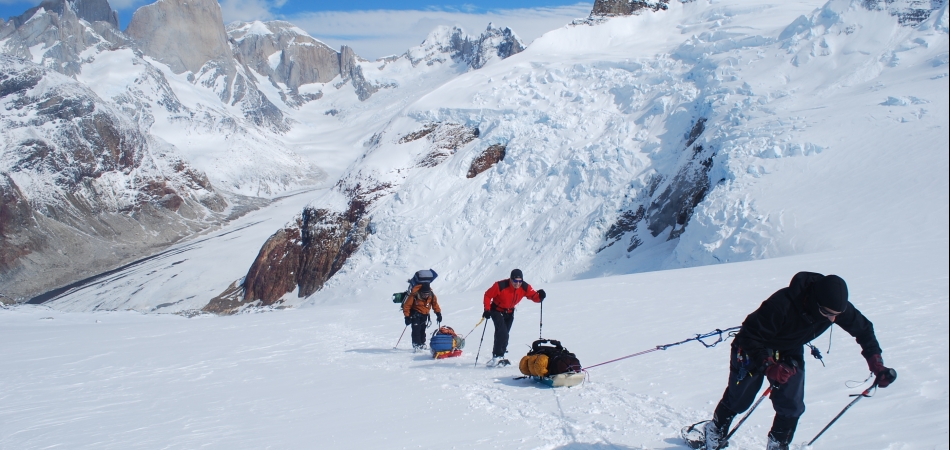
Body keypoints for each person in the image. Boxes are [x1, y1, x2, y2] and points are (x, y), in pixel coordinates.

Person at [703, 272, 896, 450]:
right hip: (753, 347)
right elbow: (749, 336)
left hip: (789, 348)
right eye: (827, 313)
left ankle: (778, 444)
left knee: (791, 404)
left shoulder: (835, 308)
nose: (832, 319)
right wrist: (768, 366)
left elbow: (864, 330)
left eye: (836, 315)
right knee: (740, 398)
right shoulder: (782, 304)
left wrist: (876, 363)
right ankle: (715, 430)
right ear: (813, 301)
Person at [482, 269, 546, 367]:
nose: (518, 284)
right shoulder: (500, 286)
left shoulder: (525, 287)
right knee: (502, 332)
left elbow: (533, 296)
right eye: (515, 281)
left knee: (504, 333)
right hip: (496, 310)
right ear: (511, 280)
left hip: (509, 312)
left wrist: (540, 296)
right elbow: (487, 295)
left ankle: (500, 355)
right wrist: (487, 310)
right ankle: (497, 356)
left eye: (520, 281)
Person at [402, 283, 442, 351]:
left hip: (425, 315)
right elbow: (407, 306)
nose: (426, 296)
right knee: (416, 330)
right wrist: (407, 317)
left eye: (427, 294)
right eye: (424, 294)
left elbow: (435, 305)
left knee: (422, 330)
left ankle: (422, 343)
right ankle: (416, 345)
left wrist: (438, 314)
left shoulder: (432, 296)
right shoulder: (414, 295)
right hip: (415, 315)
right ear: (421, 292)